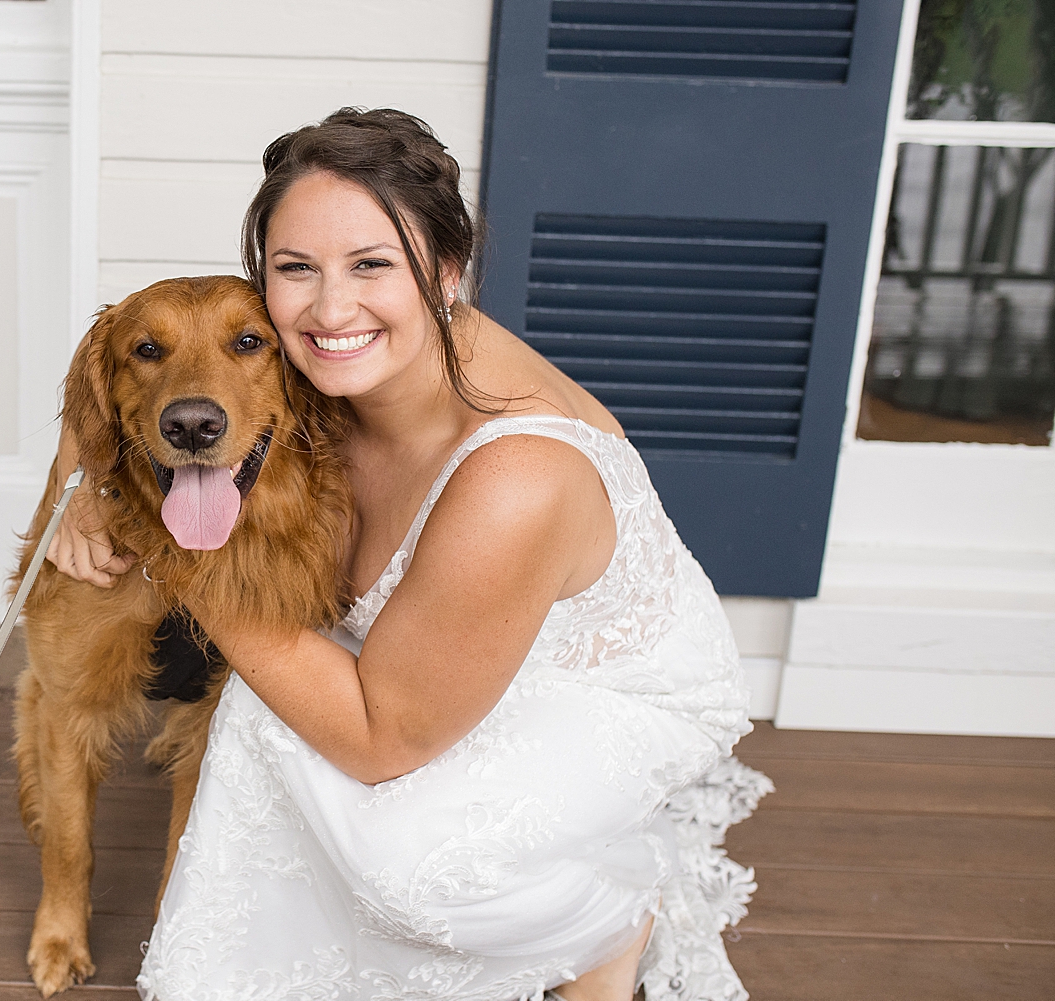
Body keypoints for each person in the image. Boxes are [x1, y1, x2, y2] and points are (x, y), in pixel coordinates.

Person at [48, 108, 770, 1001]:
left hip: (579, 679)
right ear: (262, 279)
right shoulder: (308, 363)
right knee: (264, 724)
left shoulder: (516, 472)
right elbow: (139, 374)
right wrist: (87, 484)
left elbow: (380, 739)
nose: (331, 307)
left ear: (447, 276)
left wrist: (151, 524)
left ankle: (612, 923)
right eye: (296, 269)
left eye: (372, 266)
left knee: (406, 859)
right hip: (431, 645)